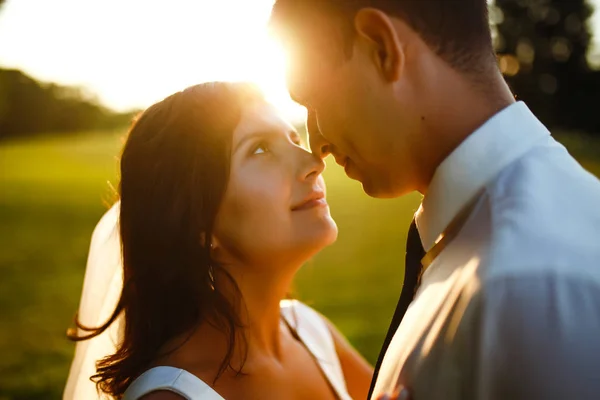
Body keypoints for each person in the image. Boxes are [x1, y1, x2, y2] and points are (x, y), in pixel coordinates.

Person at [269, 1, 600, 399]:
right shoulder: (488, 251)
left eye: (314, 100)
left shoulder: (527, 289)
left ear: (381, 47)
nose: (317, 142)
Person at [64, 82, 373, 400]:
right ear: (198, 221)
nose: (314, 164)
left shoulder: (310, 331)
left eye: (294, 139)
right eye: (260, 149)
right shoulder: (172, 397)